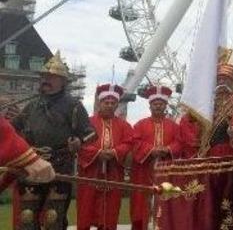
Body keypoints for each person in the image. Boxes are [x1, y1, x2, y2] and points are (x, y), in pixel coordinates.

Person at [11, 51, 95, 230]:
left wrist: (79, 141)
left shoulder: (74, 105)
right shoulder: (31, 105)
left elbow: (90, 133)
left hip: (60, 166)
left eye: (51, 77)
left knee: (53, 219)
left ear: (63, 81)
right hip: (31, 165)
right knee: (27, 218)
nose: (45, 80)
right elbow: (11, 129)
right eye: (43, 76)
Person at [77, 84, 134, 230]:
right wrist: (97, 153)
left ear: (116, 104)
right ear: (99, 103)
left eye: (113, 103)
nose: (109, 105)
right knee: (86, 207)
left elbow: (129, 143)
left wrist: (114, 152)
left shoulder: (125, 126)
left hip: (114, 173)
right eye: (106, 102)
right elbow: (81, 143)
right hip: (90, 172)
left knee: (111, 210)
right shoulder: (87, 123)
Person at [179, 48, 233, 157]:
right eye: (219, 79)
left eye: (225, 79)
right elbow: (190, 118)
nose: (222, 82)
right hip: (208, 148)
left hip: (228, 147)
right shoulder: (207, 100)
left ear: (231, 81)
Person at [130, 85, 182, 230]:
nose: (158, 106)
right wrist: (151, 150)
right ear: (150, 105)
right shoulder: (139, 125)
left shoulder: (174, 126)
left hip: (167, 173)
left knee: (166, 206)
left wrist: (167, 149)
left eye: (161, 104)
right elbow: (135, 142)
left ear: (165, 105)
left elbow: (179, 143)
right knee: (140, 207)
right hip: (143, 172)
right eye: (155, 103)